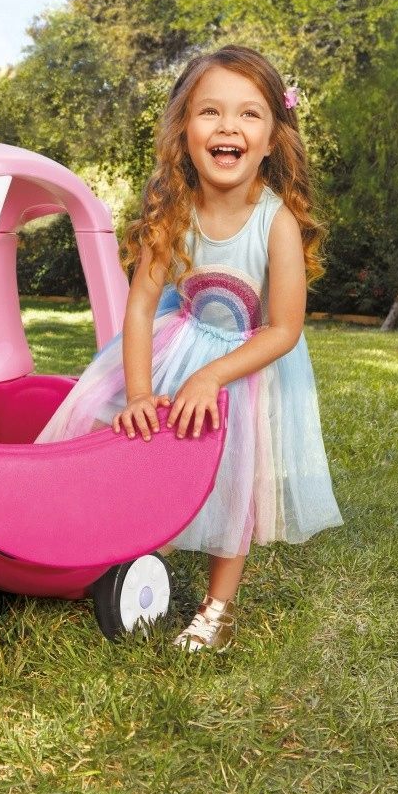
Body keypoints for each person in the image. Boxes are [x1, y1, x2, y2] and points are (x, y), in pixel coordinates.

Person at [38, 45, 342, 650]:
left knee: (233, 480)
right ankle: (112, 555)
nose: (228, 127)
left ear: (273, 139)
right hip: (178, 345)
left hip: (247, 366)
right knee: (126, 436)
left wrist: (212, 377)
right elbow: (140, 308)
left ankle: (216, 610)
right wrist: (140, 392)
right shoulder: (171, 215)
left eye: (249, 114)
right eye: (210, 111)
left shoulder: (276, 223)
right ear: (184, 131)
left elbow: (284, 329)